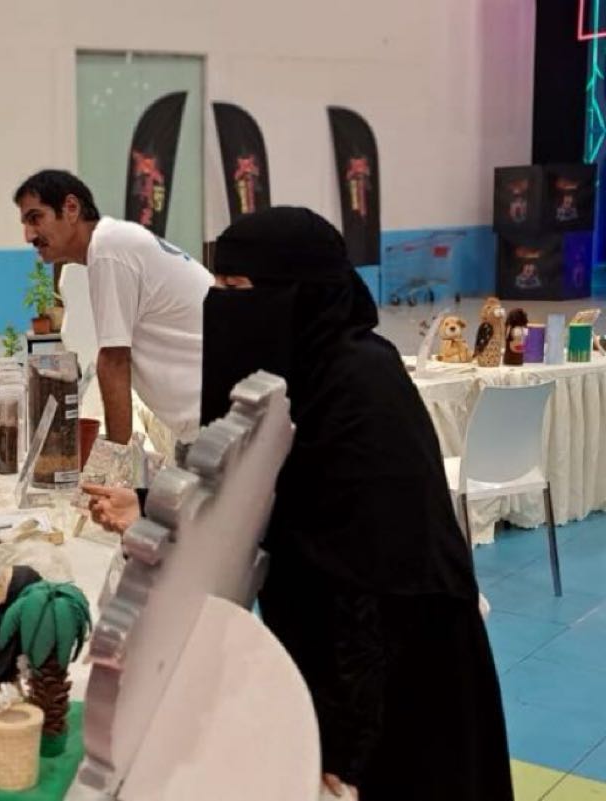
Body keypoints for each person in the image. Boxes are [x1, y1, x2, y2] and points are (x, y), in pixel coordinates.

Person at [85, 207, 513, 801]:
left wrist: (344, 740)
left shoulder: (360, 387)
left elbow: (369, 580)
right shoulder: (305, 372)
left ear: (298, 291)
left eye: (237, 288)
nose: (221, 306)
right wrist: (149, 503)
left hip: (404, 673)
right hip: (339, 663)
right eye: (216, 286)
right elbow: (257, 488)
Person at [13, 169, 212, 454]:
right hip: (209, 418)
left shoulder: (108, 249)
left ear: (71, 208)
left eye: (35, 218)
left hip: (213, 425)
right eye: (25, 223)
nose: (29, 235)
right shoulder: (114, 243)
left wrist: (118, 463)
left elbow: (114, 361)